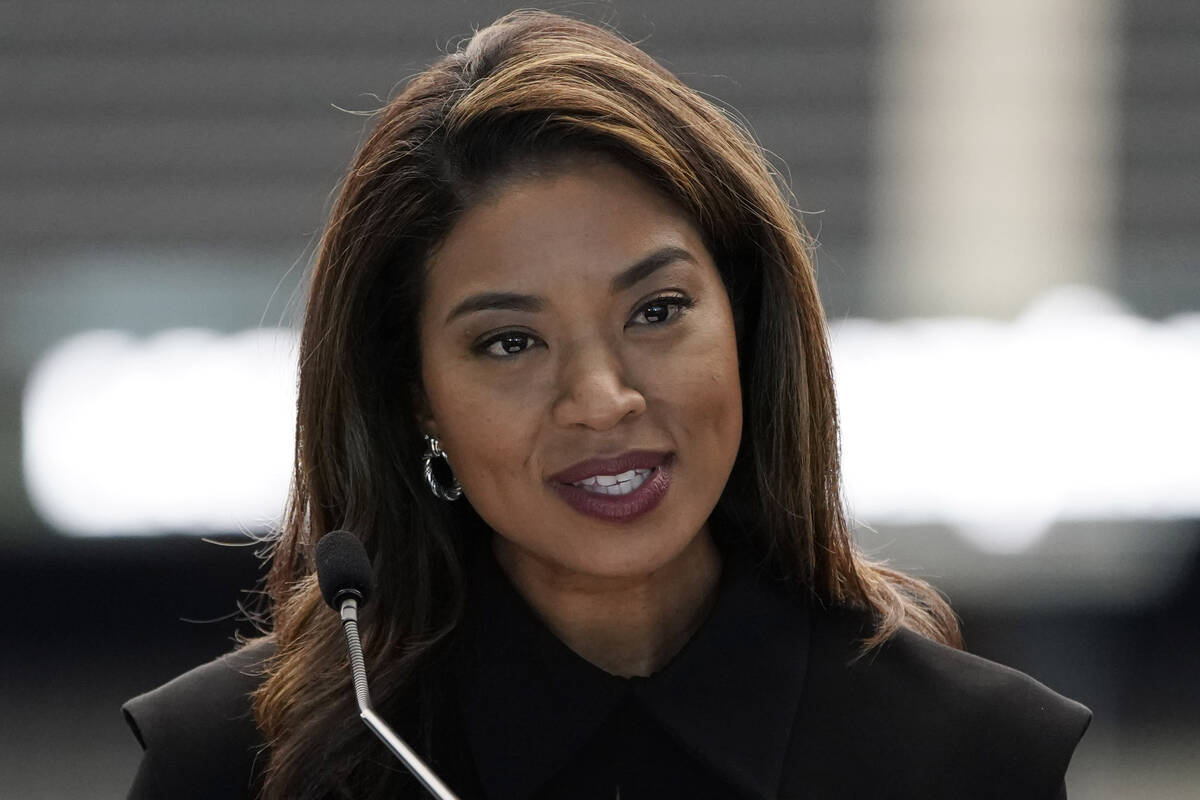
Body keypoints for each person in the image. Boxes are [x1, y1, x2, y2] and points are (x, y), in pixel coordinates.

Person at [122, 9, 1091, 799]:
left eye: (657, 311)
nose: (602, 399)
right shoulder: (240, 766)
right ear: (414, 395)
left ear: (746, 321)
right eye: (510, 341)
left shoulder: (972, 758)